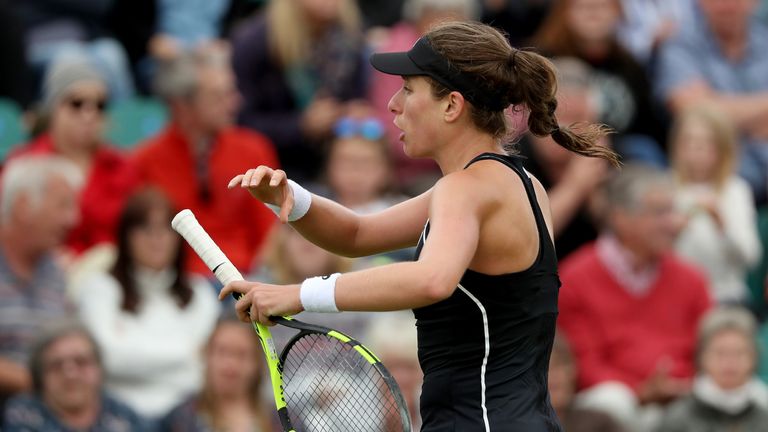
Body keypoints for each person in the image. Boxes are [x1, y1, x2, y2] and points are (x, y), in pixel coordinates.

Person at [220, 20, 619, 431]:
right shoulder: (515, 184)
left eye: (409, 90)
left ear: (452, 106)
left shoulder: (465, 191)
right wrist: (292, 198)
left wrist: (299, 294)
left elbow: (432, 280)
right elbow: (357, 235)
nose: (392, 104)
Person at [557, 164, 713, 431]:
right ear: (620, 218)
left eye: (672, 211)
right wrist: (641, 392)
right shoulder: (575, 277)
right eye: (659, 213)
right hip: (617, 405)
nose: (673, 223)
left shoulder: (692, 278)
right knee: (612, 402)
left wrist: (678, 385)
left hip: (682, 396)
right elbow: (582, 363)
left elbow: (709, 350)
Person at [75, 188, 220, 421]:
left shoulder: (200, 293)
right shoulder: (99, 288)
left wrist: (133, 352)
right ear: (126, 237)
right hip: (118, 415)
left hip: (187, 416)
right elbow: (108, 359)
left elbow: (207, 370)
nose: (157, 239)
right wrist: (187, 354)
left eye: (166, 229)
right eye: (145, 229)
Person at [132, 47, 279, 275]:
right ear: (182, 107)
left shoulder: (254, 150)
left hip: (248, 280)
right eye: (219, 96)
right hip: (178, 286)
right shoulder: (145, 161)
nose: (235, 102)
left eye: (231, 92)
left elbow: (272, 235)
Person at [8, 59, 139, 256]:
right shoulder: (24, 165)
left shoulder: (121, 166)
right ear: (53, 108)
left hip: (112, 273)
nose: (89, 114)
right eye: (76, 104)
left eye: (100, 105)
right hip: (43, 273)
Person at [231, 0, 369, 182]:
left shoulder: (349, 37)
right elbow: (239, 122)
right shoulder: (256, 42)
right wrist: (301, 126)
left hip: (332, 161)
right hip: (275, 168)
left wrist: (350, 114)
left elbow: (356, 97)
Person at [655, 0, 768, 204]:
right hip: (714, 164)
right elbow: (693, 112)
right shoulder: (680, 43)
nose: (727, 6)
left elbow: (707, 111)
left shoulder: (764, 37)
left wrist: (716, 106)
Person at [0, 155, 83, 412]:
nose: (73, 220)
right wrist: (40, 383)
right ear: (24, 205)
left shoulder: (55, 272)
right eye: (63, 206)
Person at [669, 104, 762, 304]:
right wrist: (672, 230)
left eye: (706, 143)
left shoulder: (735, 191)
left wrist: (721, 223)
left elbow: (750, 257)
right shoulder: (666, 190)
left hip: (726, 296)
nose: (696, 149)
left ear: (723, 149)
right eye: (689, 141)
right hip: (678, 299)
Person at [2, 320, 146, 431]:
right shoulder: (23, 414)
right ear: (40, 375)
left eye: (81, 362)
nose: (70, 374)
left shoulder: (121, 414)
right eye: (56, 365)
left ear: (99, 368)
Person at [655, 306, 768, 432]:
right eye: (720, 353)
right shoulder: (677, 418)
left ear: (754, 358)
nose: (730, 362)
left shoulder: (764, 416)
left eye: (739, 353)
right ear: (702, 358)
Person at [159, 317, 275, 432]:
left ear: (257, 362)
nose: (230, 365)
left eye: (241, 354)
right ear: (206, 354)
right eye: (222, 351)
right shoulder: (180, 419)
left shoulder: (279, 419)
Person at [548, 332, 626, 432]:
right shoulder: (524, 424)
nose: (555, 376)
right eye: (546, 369)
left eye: (560, 365)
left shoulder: (599, 422)